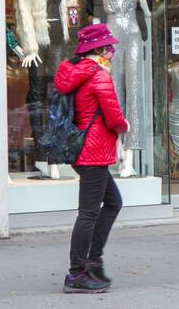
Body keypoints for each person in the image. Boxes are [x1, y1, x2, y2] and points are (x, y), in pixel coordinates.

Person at [53, 23, 128, 293]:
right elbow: (114, 117)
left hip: (81, 148)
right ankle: (77, 273)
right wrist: (125, 126)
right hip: (94, 150)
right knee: (88, 212)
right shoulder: (99, 76)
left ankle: (92, 260)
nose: (112, 51)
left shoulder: (73, 71)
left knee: (113, 202)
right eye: (109, 47)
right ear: (99, 50)